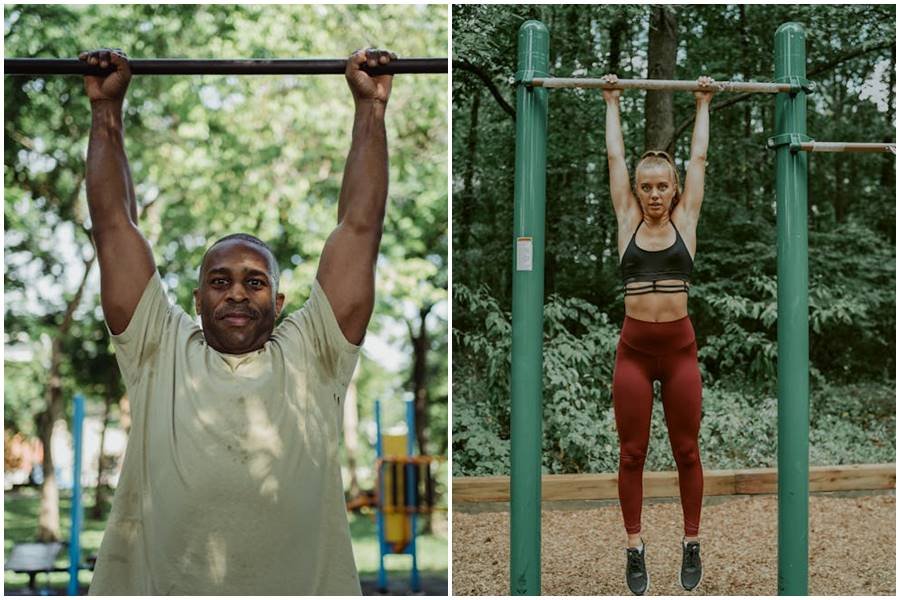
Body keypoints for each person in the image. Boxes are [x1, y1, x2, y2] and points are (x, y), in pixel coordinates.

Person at [81, 46, 395, 595]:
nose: (236, 294)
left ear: (278, 302)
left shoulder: (314, 351)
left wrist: (370, 109)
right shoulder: (161, 347)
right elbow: (113, 226)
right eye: (220, 281)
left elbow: (360, 228)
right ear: (198, 297)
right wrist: (106, 113)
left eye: (255, 282)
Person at [602, 73, 714, 595]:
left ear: (674, 191)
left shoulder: (686, 218)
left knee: (687, 450)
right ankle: (634, 546)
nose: (651, 194)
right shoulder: (626, 218)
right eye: (645, 186)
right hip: (634, 352)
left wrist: (702, 102)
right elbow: (614, 162)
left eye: (660, 186)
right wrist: (611, 100)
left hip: (679, 352)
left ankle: (691, 541)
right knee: (632, 453)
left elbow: (698, 161)